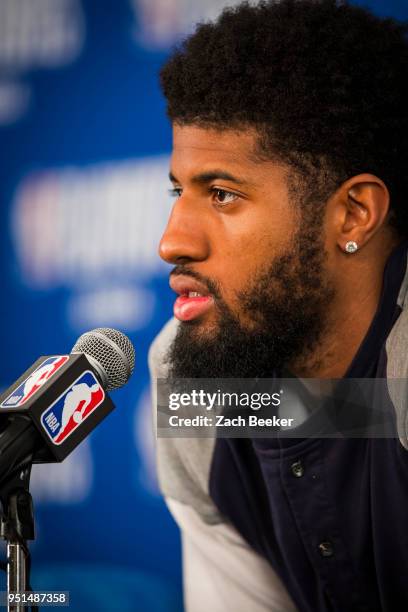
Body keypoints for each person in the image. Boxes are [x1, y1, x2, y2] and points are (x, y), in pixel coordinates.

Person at [148, 1, 408, 610]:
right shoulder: (190, 379)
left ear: (352, 214)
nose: (171, 242)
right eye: (177, 190)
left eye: (222, 194)